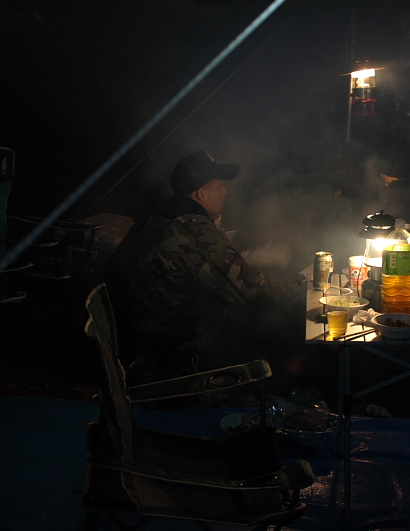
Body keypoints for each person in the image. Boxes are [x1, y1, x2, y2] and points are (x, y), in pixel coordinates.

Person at [125, 150, 307, 382]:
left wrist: (247, 256)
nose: (224, 192)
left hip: (146, 336)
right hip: (177, 349)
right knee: (264, 322)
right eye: (219, 186)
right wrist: (303, 280)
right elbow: (256, 294)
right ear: (201, 193)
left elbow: (197, 260)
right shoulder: (198, 232)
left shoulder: (162, 216)